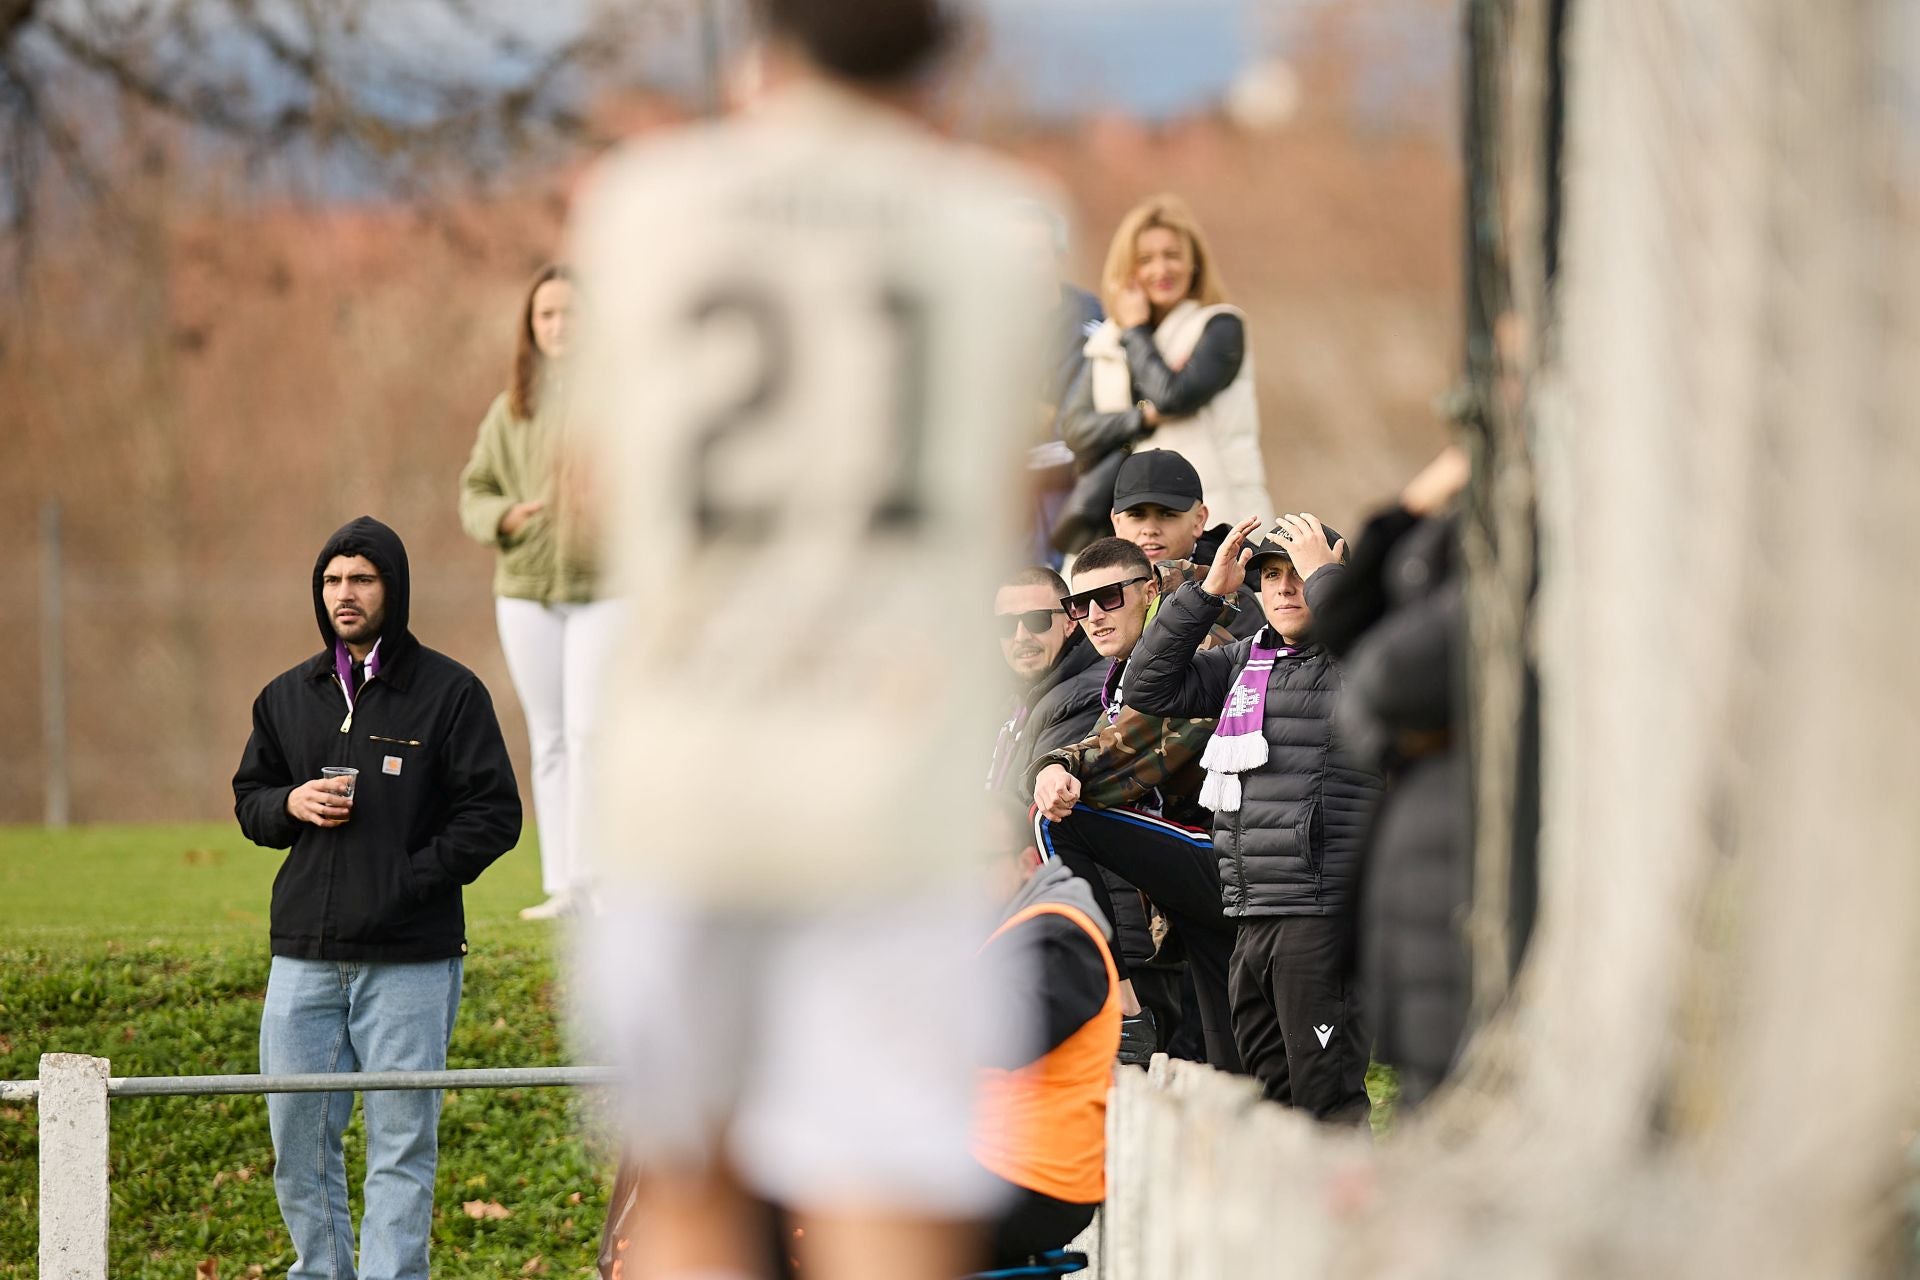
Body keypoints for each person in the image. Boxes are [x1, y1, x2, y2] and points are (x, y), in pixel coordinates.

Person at [565, 1, 1055, 1277]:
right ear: (947, 56)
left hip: (692, 770)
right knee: (887, 1200)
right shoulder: (992, 232)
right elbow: (1003, 493)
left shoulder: (643, 206)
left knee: (689, 1196)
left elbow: (600, 483)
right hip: (889, 780)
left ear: (757, 46)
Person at [232, 515, 522, 1280]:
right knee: (298, 1149)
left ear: (393, 588)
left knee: (400, 1150)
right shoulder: (287, 696)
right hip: (303, 960)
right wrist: (289, 804)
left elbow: (494, 816)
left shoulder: (452, 694)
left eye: (361, 579)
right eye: (332, 580)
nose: (344, 594)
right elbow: (249, 799)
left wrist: (411, 878)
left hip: (410, 962)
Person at [1126, 513, 1383, 1124]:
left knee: (1327, 1101)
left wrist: (1333, 579)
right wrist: (1205, 595)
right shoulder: (1245, 661)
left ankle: (1342, 1221)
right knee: (1271, 1104)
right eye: (1271, 575)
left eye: (1301, 575)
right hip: (1251, 911)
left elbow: (1372, 644)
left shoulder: (1355, 659)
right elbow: (1146, 687)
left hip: (1319, 915)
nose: (1287, 589)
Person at [1025, 536, 1244, 1073]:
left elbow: (1116, 762)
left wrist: (1054, 767)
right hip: (1206, 884)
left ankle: (1120, 1008)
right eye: (1080, 605)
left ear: (1149, 590)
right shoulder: (1126, 665)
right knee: (1234, 1068)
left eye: (1110, 598)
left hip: (1239, 861)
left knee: (1060, 818)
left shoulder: (1192, 650)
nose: (1094, 616)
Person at [458, 263, 620, 921]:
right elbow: (474, 491)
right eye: (546, 315)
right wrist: (504, 518)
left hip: (605, 590)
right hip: (525, 590)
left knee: (591, 731)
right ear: (531, 327)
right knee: (549, 737)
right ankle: (564, 886)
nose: (558, 326)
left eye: (570, 313)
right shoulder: (510, 410)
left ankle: (601, 880)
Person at [986, 565, 1162, 1061]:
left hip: (1111, 945)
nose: (1021, 636)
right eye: (1006, 626)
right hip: (1070, 931)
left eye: (1038, 620)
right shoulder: (1024, 701)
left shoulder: (1087, 692)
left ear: (1069, 621)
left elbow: (1033, 811)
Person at [1057, 193, 1273, 536]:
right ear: (1128, 270)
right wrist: (1141, 418)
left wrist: (1136, 331)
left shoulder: (1220, 327)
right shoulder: (1110, 337)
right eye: (1145, 259)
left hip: (1217, 518)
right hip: (1132, 522)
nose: (1161, 269)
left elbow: (1172, 395)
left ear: (1194, 263)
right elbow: (1075, 427)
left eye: (1172, 256)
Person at [972, 852, 1120, 1267]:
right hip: (995, 1164)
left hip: (1027, 1181)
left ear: (1027, 861)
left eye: (977, 861)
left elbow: (1003, 1035)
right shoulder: (1011, 927)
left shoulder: (1060, 931)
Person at [1012, 201, 1105, 568]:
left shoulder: (1086, 314)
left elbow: (1075, 417)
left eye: (1034, 255)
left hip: (1066, 491)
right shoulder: (988, 319)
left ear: (1058, 255)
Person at [1107, 448, 1263, 640]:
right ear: (1116, 522)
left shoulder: (1231, 598)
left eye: (1167, 514)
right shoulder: (1097, 596)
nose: (1150, 529)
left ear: (1199, 520)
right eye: (1136, 515)